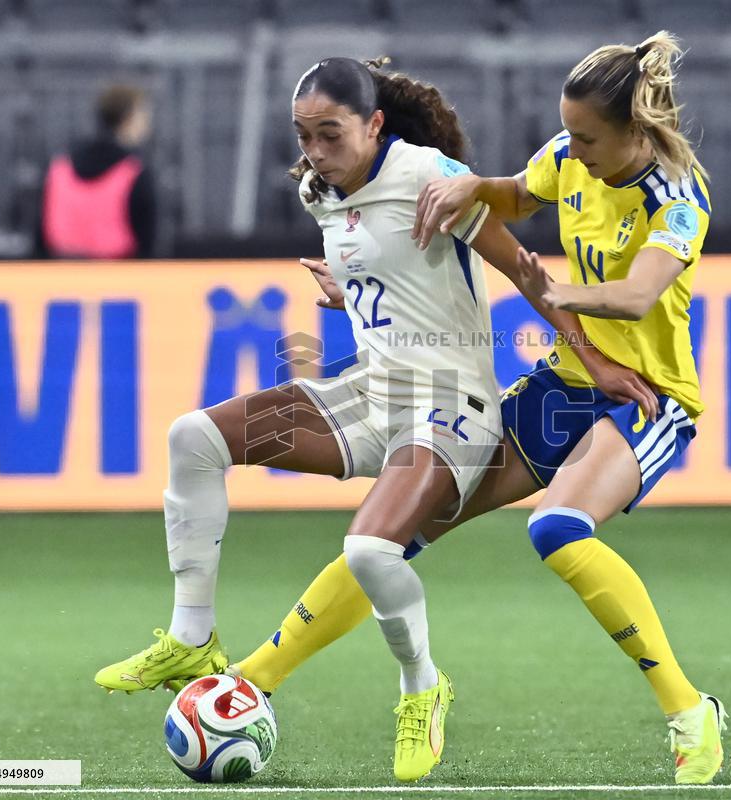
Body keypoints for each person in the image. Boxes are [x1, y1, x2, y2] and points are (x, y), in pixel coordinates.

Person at [94, 57, 653, 783]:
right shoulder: (316, 187)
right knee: (193, 439)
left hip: (453, 403)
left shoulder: (431, 175)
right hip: (371, 391)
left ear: (374, 124)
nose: (315, 152)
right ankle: (192, 639)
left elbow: (523, 269)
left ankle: (422, 687)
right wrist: (351, 293)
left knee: (369, 553)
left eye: (330, 134)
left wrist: (595, 359)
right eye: (304, 136)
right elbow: (388, 272)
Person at [228, 32, 727, 786]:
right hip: (563, 388)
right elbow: (523, 193)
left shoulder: (678, 198)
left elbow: (638, 295)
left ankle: (692, 715)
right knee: (397, 535)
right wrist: (473, 186)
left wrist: (555, 297)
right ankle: (251, 679)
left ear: (632, 132)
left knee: (558, 528)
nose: (576, 150)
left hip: (648, 398)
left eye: (590, 138)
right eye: (571, 133)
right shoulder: (569, 155)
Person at [37, 84, 156, 259]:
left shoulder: (60, 168)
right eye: (143, 115)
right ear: (129, 118)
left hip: (62, 278)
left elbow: (40, 235)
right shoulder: (135, 173)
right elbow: (147, 245)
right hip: (119, 279)